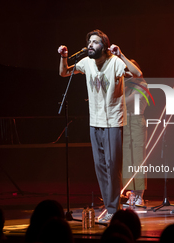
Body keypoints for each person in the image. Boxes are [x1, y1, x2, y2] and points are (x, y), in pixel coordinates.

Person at [58, 29, 142, 222]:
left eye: (95, 42)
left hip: (113, 121)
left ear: (104, 46)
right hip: (94, 122)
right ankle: (111, 207)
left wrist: (121, 55)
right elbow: (63, 72)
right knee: (100, 166)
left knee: (113, 166)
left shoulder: (115, 62)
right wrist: (63, 56)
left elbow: (138, 74)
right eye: (89, 42)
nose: (90, 45)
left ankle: (114, 210)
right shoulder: (86, 63)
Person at [122, 60, 148, 207]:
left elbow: (127, 102)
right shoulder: (125, 85)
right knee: (127, 159)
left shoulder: (142, 85)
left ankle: (139, 195)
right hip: (125, 123)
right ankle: (130, 193)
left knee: (138, 159)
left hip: (137, 122)